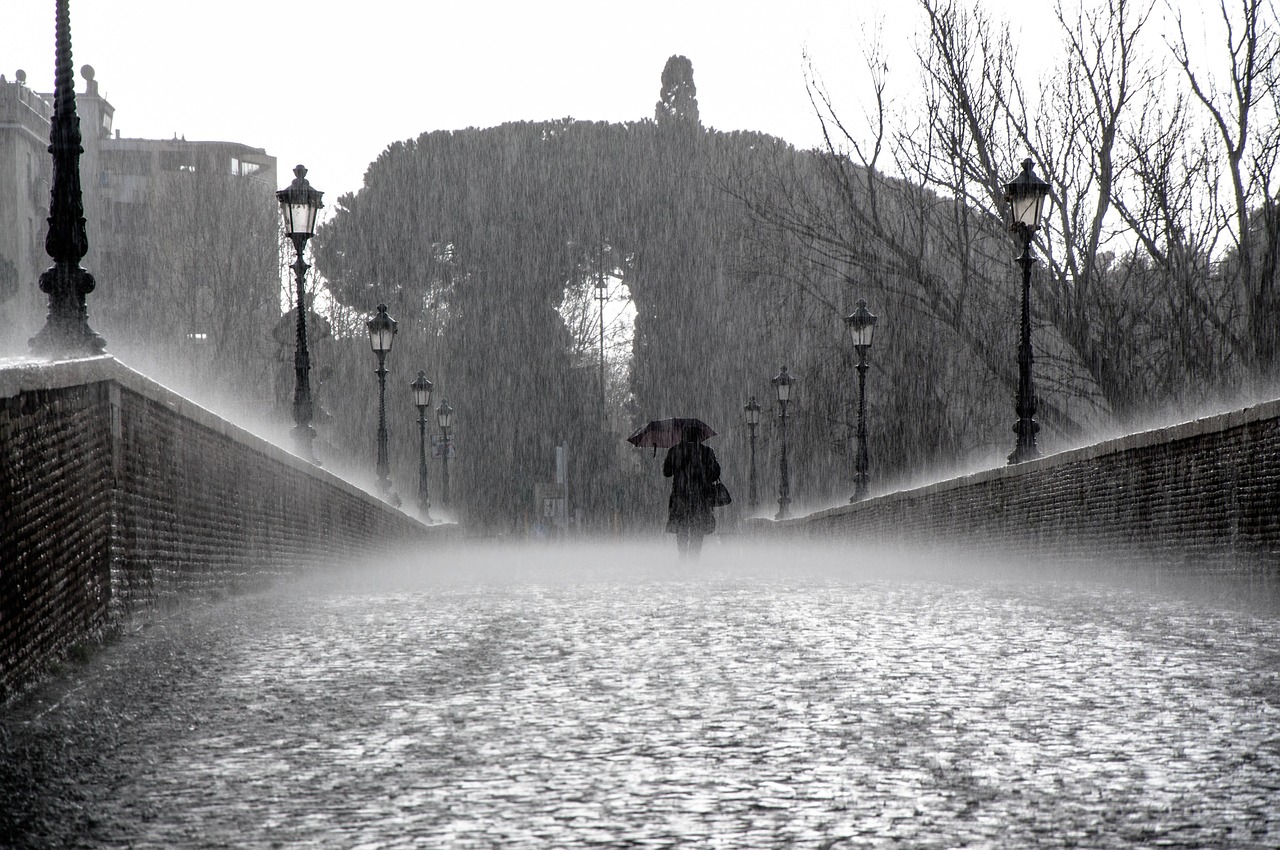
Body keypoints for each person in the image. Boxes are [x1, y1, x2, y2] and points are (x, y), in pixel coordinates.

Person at [663, 425, 721, 558]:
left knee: (681, 528)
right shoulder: (707, 452)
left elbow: (666, 473)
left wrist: (674, 462)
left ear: (683, 435)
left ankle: (683, 555)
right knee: (697, 529)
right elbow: (715, 474)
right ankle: (694, 557)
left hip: (680, 495)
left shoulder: (675, 451)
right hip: (700, 496)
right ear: (699, 436)